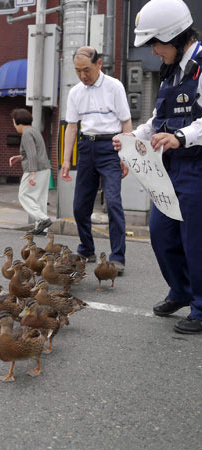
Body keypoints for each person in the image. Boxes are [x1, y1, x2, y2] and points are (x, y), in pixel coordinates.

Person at [113, 0, 202, 334]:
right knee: (162, 232)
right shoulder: (171, 73)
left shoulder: (201, 66)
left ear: (174, 36)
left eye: (155, 43)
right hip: (170, 170)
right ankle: (181, 291)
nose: (153, 51)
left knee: (195, 239)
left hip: (197, 167)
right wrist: (131, 135)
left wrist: (182, 136)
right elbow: (156, 120)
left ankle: (201, 306)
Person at [61, 46, 131, 273]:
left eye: (87, 70)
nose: (82, 75)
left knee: (113, 202)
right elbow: (72, 127)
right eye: (77, 70)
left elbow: (126, 123)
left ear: (99, 64)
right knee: (80, 206)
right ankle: (86, 249)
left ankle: (117, 256)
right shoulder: (75, 92)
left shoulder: (114, 87)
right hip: (86, 147)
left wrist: (125, 155)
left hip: (111, 147)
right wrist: (64, 161)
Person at [9, 108, 52, 235]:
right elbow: (34, 152)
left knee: (23, 195)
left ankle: (43, 219)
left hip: (35, 169)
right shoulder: (34, 131)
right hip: (45, 169)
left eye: (13, 122)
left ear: (17, 122)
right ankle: (42, 228)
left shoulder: (27, 133)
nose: (13, 125)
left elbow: (32, 154)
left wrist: (32, 173)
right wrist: (19, 157)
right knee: (40, 199)